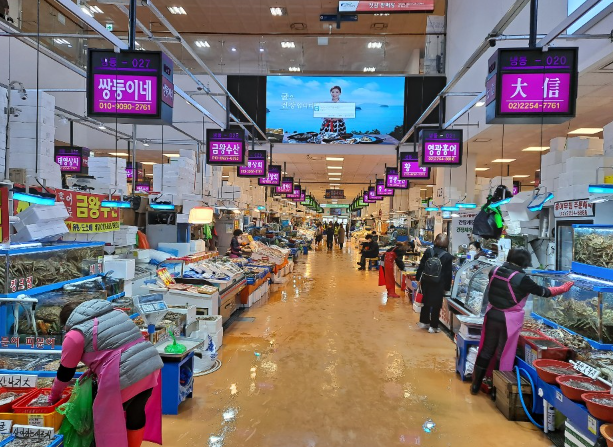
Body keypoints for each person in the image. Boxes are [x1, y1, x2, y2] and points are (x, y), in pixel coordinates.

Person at [50, 300, 163, 447]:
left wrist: (54, 397)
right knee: (136, 412)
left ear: (67, 323)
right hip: (149, 364)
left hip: (122, 375)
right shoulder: (116, 313)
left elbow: (65, 373)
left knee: (105, 422)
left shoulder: (75, 335)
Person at [471, 248, 574, 394]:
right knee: (502, 353)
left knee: (487, 350)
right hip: (508, 321)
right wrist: (562, 288)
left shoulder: (494, 270)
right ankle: (496, 391)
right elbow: (544, 292)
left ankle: (475, 385)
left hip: (492, 314)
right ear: (525, 263)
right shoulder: (521, 279)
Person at [416, 233, 454, 333]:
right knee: (436, 305)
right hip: (438, 283)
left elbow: (421, 266)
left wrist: (418, 278)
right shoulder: (447, 256)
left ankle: (424, 322)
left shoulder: (429, 251)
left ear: (435, 241)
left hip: (426, 281)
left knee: (426, 301)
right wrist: (447, 287)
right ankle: (433, 327)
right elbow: (448, 273)